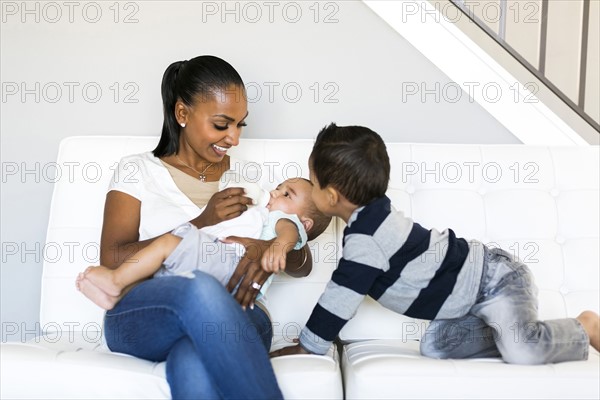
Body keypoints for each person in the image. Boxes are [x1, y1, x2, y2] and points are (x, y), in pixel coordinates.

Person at [81, 55, 314, 399]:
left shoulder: (248, 184)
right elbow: (113, 259)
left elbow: (303, 264)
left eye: (240, 125)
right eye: (222, 125)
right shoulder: (138, 172)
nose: (234, 138)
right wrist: (201, 222)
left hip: (243, 313)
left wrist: (270, 247)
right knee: (200, 288)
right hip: (145, 315)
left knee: (193, 359)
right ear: (182, 114)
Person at [270, 123, 600, 365]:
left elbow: (340, 296)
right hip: (465, 303)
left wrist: (309, 345)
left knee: (525, 351)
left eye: (312, 183)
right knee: (436, 347)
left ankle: (583, 327)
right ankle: (503, 332)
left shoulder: (366, 239)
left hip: (495, 280)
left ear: (330, 196)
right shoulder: (373, 208)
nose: (310, 190)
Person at [77, 177, 331, 310]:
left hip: (231, 263)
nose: (274, 193)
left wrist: (276, 247)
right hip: (223, 267)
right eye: (278, 187)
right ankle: (118, 294)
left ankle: (116, 283)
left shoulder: (284, 219)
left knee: (168, 243)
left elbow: (290, 236)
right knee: (165, 270)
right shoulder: (265, 213)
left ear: (305, 222)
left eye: (287, 194)